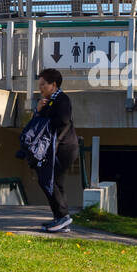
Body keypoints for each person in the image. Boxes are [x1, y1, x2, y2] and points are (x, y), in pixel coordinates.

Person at [35, 68, 78, 232]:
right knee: (56, 182)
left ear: (53, 85)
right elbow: (39, 123)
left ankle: (63, 217)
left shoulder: (62, 99)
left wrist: (45, 117)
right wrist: (39, 110)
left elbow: (63, 120)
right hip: (57, 147)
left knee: (48, 179)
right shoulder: (50, 101)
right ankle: (60, 218)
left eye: (43, 84)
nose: (40, 88)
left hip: (64, 147)